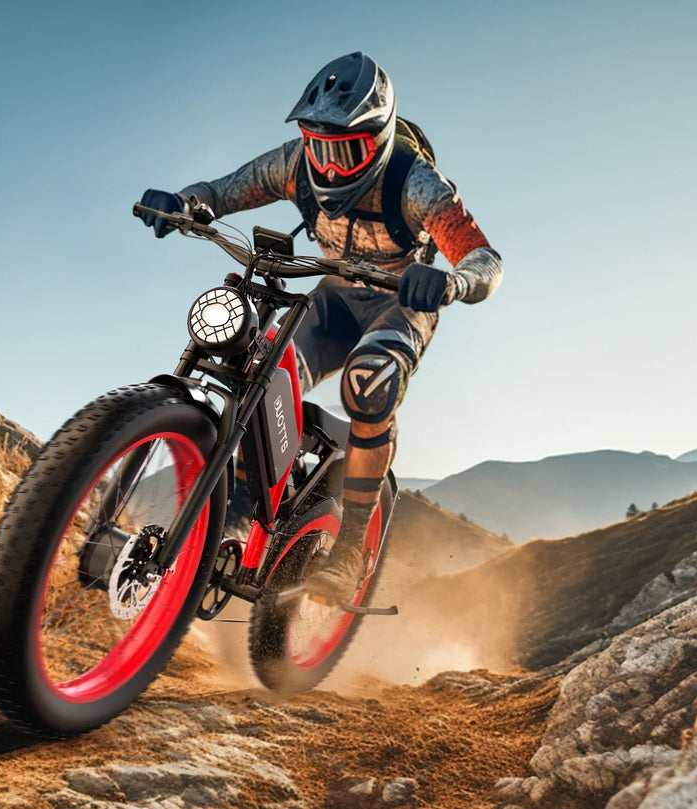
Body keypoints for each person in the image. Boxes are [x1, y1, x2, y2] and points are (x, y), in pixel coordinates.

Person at [137, 52, 503, 604]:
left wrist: (450, 284)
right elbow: (226, 190)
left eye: (346, 150)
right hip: (332, 297)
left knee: (369, 382)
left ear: (378, 143)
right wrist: (185, 202)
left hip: (401, 303)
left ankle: (352, 548)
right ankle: (236, 517)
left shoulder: (418, 184)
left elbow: (484, 258)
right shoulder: (295, 163)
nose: (328, 168)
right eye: (319, 146)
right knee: (256, 367)